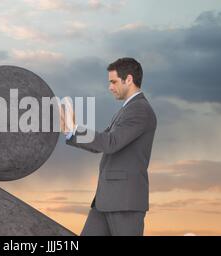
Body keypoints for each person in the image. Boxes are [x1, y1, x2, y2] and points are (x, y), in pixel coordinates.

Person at [59, 57, 157, 236]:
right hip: (106, 200)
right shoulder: (127, 110)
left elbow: (110, 143)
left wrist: (74, 128)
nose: (110, 87)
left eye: (113, 81)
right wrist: (71, 132)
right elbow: (102, 143)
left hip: (125, 202)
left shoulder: (139, 109)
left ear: (128, 79)